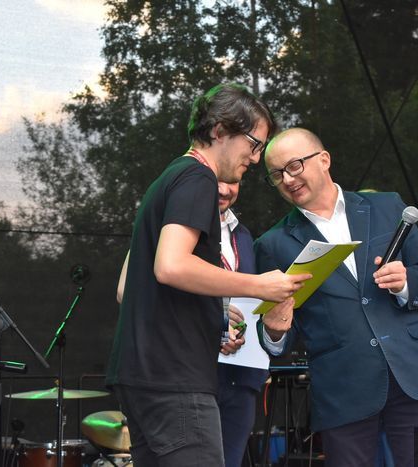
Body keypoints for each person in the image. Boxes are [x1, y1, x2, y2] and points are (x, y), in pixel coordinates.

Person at [106, 84, 311, 467]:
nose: (256, 158)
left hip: (143, 375)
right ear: (219, 131)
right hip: (174, 378)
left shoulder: (170, 178)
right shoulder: (197, 176)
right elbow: (171, 266)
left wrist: (215, 314)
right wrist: (260, 285)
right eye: (253, 144)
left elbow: (149, 282)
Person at [255, 127, 418, 467]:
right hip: (343, 389)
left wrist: (406, 282)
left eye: (294, 166)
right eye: (276, 175)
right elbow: (279, 334)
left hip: (414, 373)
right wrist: (274, 330)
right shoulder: (272, 244)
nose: (287, 179)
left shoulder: (387, 206)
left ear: (324, 159)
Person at [216, 181, 270, 467]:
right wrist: (217, 316)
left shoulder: (244, 236)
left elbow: (248, 302)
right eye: (216, 181)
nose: (225, 190)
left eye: (233, 181)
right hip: (196, 379)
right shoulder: (180, 233)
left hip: (241, 377)